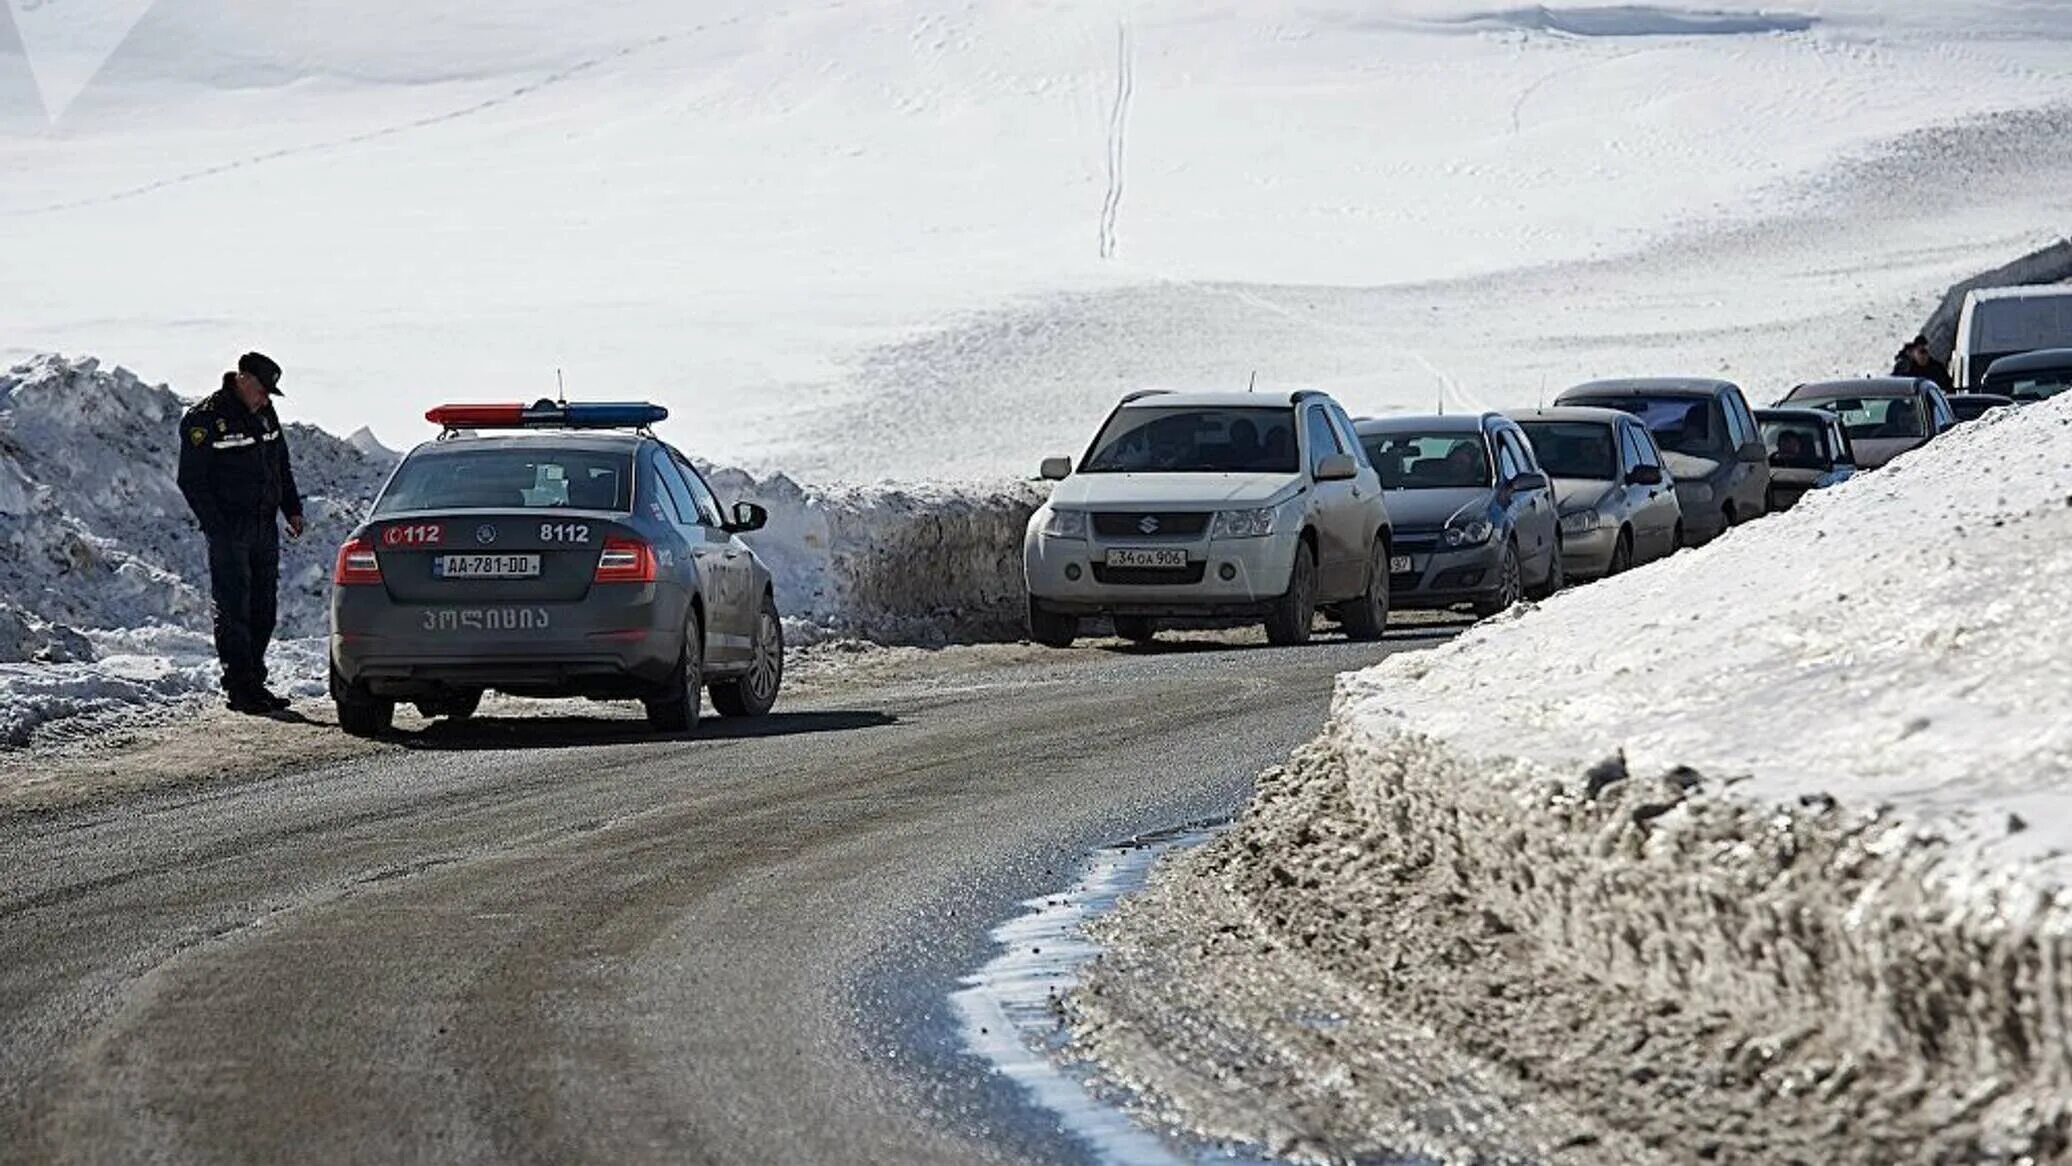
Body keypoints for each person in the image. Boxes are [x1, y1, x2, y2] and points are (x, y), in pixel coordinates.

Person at [176, 352, 305, 714]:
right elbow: (191, 480)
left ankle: (255, 681)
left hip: (264, 527)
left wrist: (291, 508)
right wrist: (217, 527)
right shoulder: (205, 419)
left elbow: (280, 463)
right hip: (230, 530)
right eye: (262, 390)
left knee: (264, 607)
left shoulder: (264, 414)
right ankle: (239, 686)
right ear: (243, 379)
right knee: (234, 609)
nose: (265, 398)